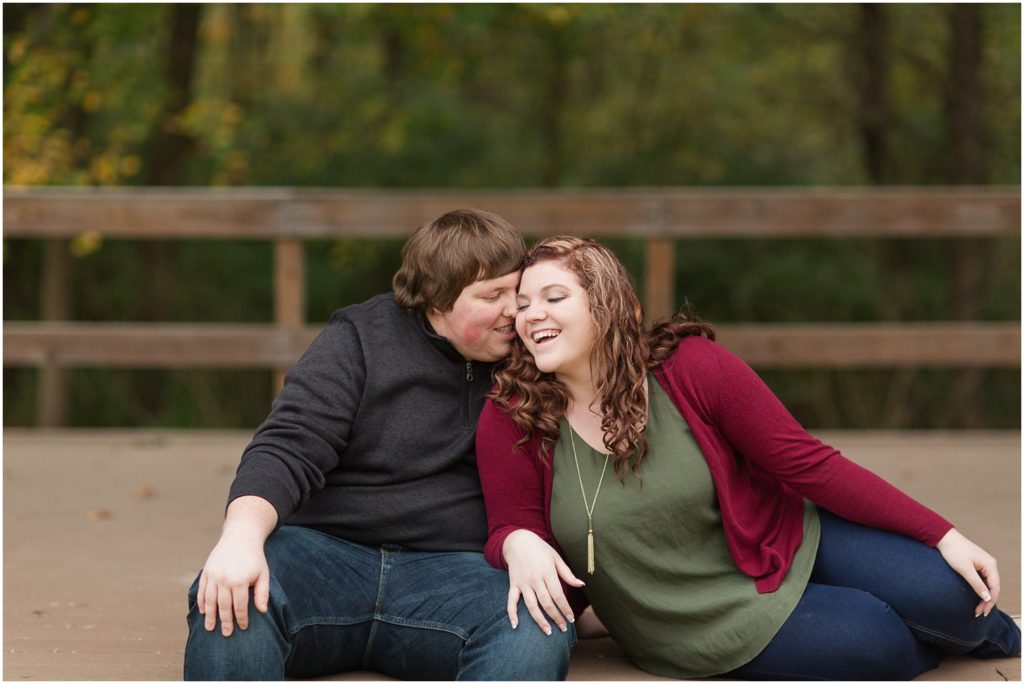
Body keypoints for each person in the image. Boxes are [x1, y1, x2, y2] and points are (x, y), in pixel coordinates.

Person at [475, 235, 1020, 680]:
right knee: (872, 638)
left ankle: (994, 634)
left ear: (606, 302)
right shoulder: (516, 414)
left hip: (778, 538)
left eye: (553, 297)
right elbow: (511, 525)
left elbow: (809, 464)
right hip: (693, 620)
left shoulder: (690, 368)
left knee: (950, 593)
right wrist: (516, 541)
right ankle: (907, 637)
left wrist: (943, 533)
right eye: (522, 304)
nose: (530, 315)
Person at [183, 210, 575, 681]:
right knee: (231, 595)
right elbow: (289, 444)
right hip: (326, 554)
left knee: (537, 625)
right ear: (435, 301)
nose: (516, 310)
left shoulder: (537, 353)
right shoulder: (359, 340)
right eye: (492, 296)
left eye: (517, 290)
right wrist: (240, 539)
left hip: (455, 570)